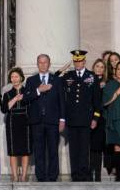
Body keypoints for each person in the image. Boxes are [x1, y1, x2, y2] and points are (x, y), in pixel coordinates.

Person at [22, 54, 66, 182]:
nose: (42, 65)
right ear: (37, 64)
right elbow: (25, 98)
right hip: (36, 121)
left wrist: (62, 119)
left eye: (45, 62)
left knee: (53, 150)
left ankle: (53, 176)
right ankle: (40, 176)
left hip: (53, 121)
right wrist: (38, 90)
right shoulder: (31, 80)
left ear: (49, 64)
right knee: (39, 150)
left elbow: (62, 101)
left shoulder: (57, 80)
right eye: (40, 62)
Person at [62, 49, 102, 182]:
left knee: (84, 148)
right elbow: (55, 80)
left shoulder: (92, 76)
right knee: (73, 149)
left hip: (86, 119)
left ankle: (84, 174)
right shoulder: (68, 76)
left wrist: (95, 118)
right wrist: (62, 69)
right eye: (75, 61)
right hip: (72, 119)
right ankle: (75, 175)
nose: (77, 63)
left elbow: (97, 100)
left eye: (79, 61)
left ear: (84, 61)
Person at [1, 67, 31, 182]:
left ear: (21, 78)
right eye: (12, 77)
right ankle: (14, 175)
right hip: (12, 122)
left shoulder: (27, 91)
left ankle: (23, 175)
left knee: (25, 150)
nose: (14, 79)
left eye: (16, 76)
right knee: (13, 151)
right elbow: (4, 109)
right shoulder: (7, 94)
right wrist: (15, 99)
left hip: (25, 122)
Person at [89, 59, 108, 182]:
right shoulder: (88, 81)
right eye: (97, 66)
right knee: (89, 148)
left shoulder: (107, 83)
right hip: (88, 117)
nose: (99, 69)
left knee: (98, 148)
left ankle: (98, 176)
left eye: (102, 67)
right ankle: (90, 175)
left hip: (101, 119)